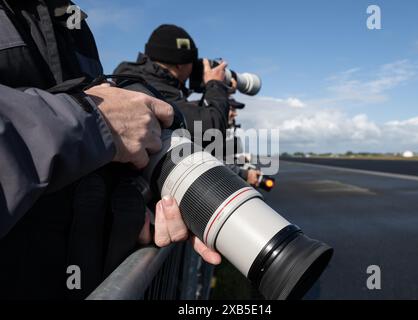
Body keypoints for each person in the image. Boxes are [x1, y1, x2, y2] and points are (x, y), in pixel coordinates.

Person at [0, 0, 219, 299]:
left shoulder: (71, 22)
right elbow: (90, 125)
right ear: (182, 64)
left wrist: (147, 191)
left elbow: (86, 161)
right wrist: (94, 121)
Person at [114, 24, 260, 185]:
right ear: (180, 64)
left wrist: (213, 89)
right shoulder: (154, 93)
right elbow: (211, 132)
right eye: (192, 62)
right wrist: (215, 85)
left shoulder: (138, 81)